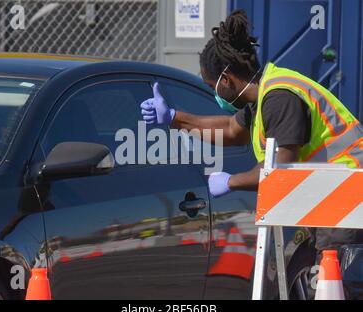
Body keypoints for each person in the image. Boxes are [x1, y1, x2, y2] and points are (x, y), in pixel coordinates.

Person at [140, 10, 363, 253]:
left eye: (210, 86)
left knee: (333, 283)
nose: (214, 94)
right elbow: (230, 129)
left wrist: (231, 182)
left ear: (225, 79)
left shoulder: (279, 98)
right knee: (304, 275)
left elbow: (278, 171)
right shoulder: (263, 96)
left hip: (348, 194)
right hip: (331, 193)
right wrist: (174, 118)